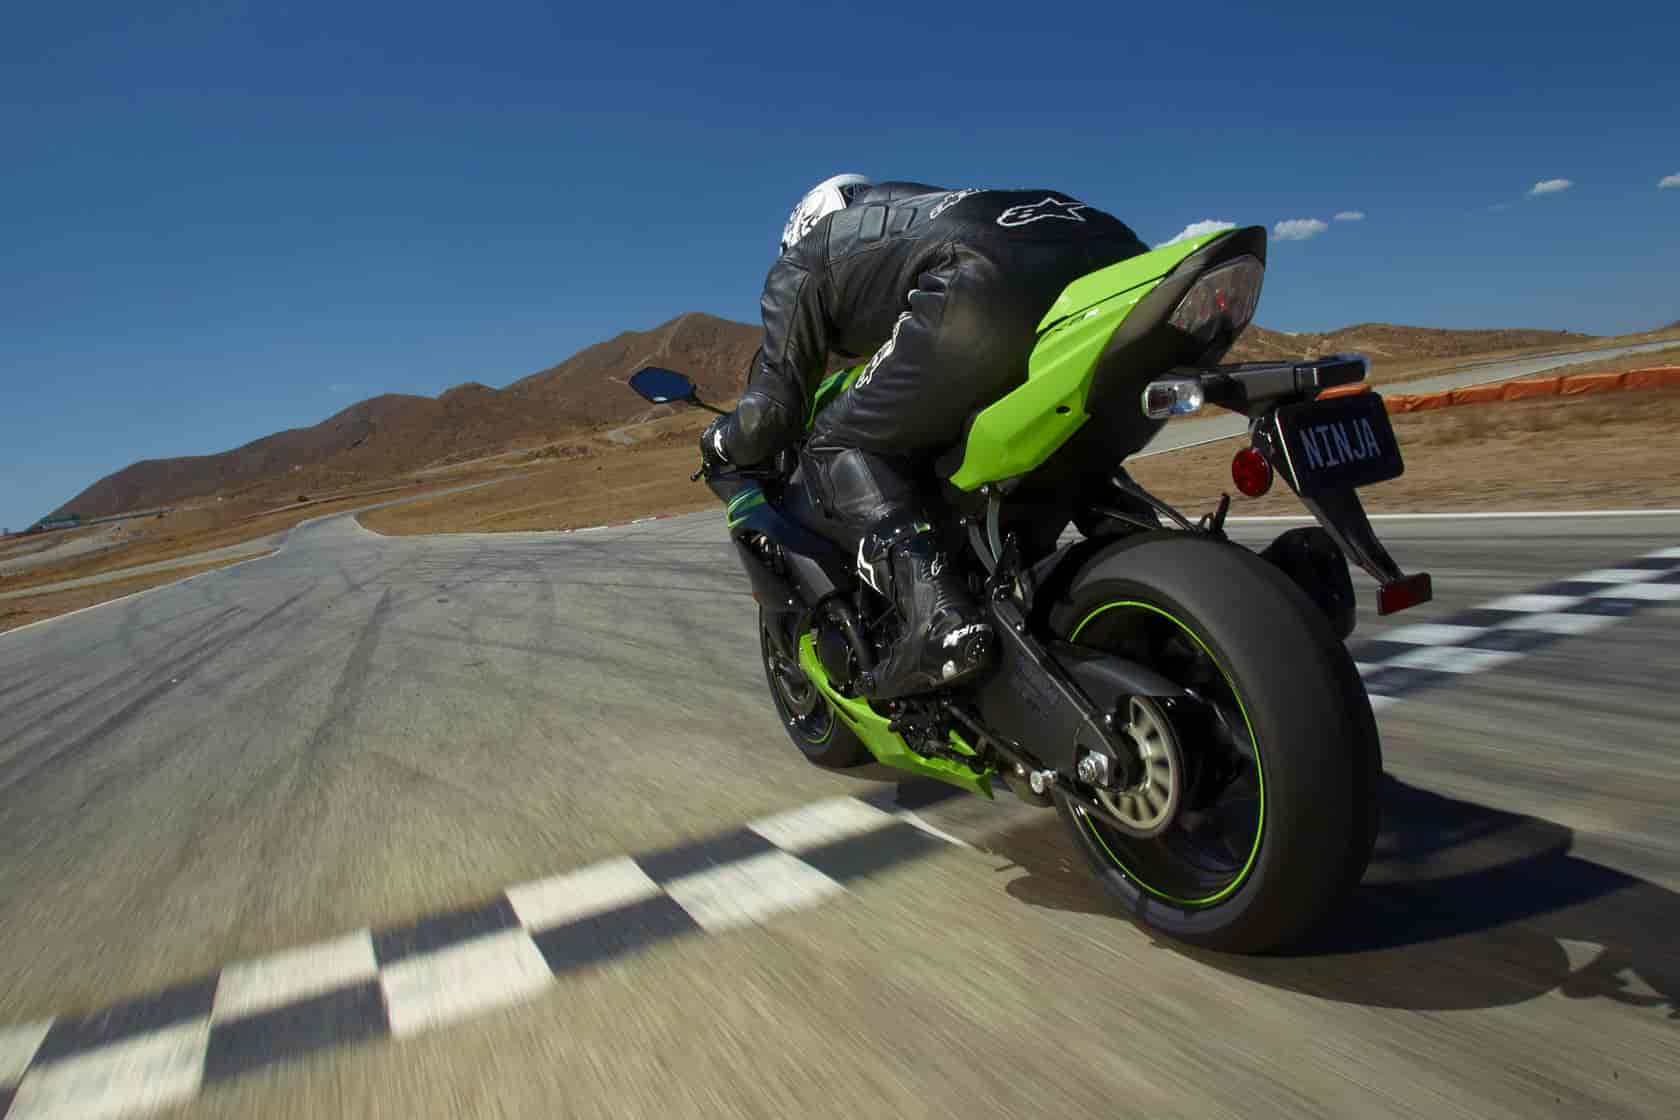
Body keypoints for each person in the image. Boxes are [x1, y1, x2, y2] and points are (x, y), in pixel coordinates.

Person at [701, 175, 1150, 700]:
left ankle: (937, 617)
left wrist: (720, 442)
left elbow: (772, 413)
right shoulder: (933, 212)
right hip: (1118, 252)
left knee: (834, 444)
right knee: (1063, 436)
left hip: (982, 278)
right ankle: (1146, 552)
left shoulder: (805, 256)